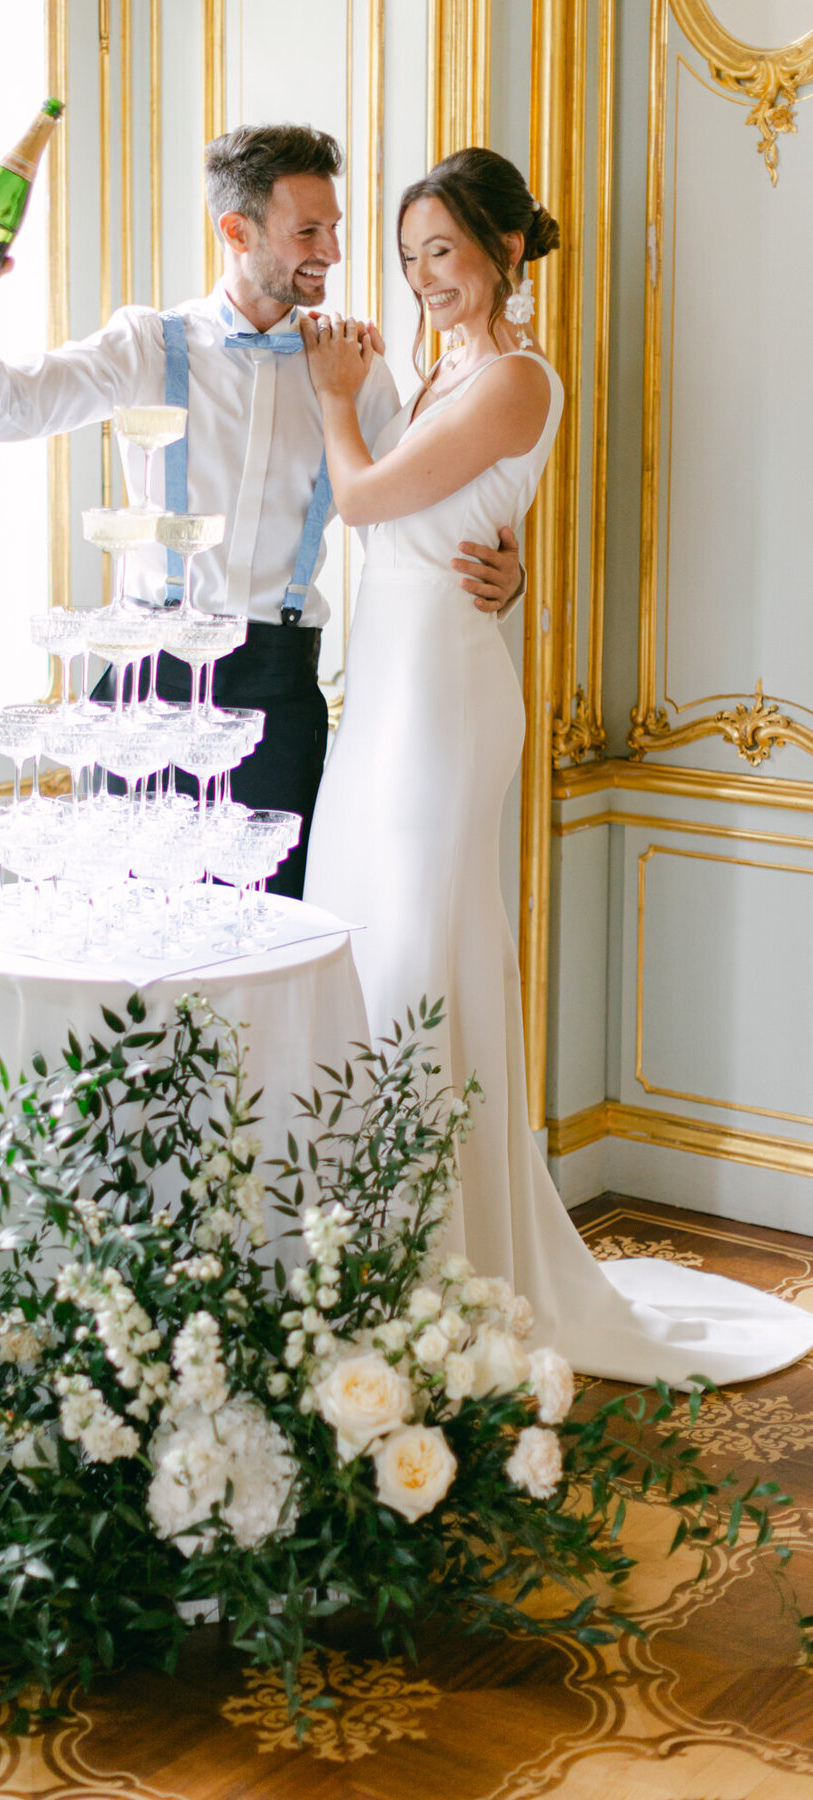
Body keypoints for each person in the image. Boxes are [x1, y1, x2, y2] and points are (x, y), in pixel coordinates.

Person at [301, 147, 813, 1386]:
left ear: (507, 250)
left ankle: (449, 1259)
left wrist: (333, 396)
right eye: (410, 255)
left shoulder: (519, 376)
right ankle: (381, 1249)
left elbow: (363, 504)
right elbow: (456, 519)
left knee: (427, 948)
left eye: (444, 251)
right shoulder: (445, 371)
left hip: (443, 698)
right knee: (371, 942)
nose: (425, 276)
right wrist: (510, 558)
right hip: (389, 687)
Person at [0, 123, 525, 898]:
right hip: (146, 692)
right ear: (237, 231)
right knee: (131, 932)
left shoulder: (353, 369)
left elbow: (411, 514)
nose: (333, 252)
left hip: (279, 698)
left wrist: (506, 572)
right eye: (308, 232)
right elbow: (7, 409)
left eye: (334, 227)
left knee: (270, 940)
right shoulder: (147, 343)